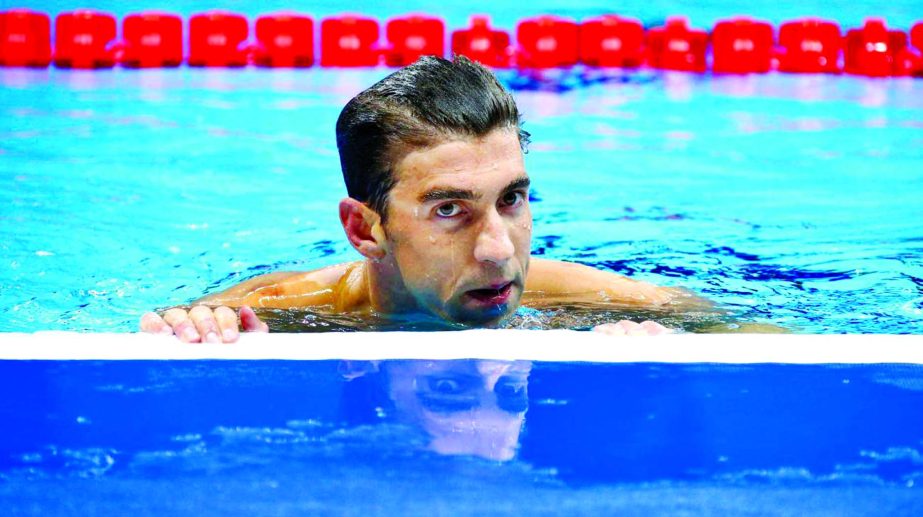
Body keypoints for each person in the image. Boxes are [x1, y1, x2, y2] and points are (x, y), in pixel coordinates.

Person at [140, 56, 713, 343]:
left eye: (510, 199)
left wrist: (669, 351)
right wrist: (196, 327)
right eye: (449, 210)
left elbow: (747, 333)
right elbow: (163, 327)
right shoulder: (282, 308)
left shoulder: (596, 299)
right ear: (366, 230)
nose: (497, 251)